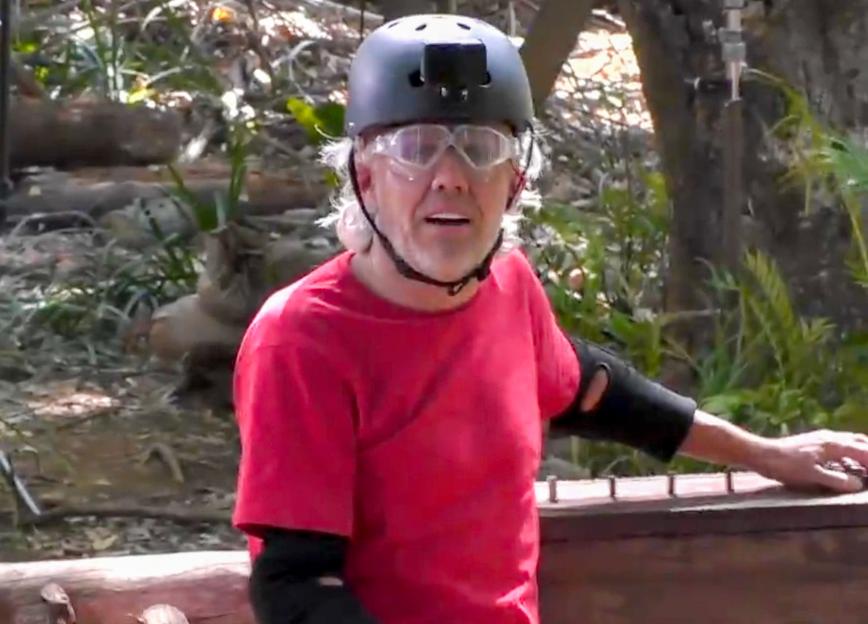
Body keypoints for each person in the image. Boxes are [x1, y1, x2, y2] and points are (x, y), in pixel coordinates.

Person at [231, 14, 868, 624]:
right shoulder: (301, 342)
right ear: (364, 175)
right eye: (416, 148)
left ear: (514, 181)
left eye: (479, 148)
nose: (450, 177)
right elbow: (295, 588)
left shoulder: (509, 285)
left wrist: (767, 454)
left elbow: (593, 392)